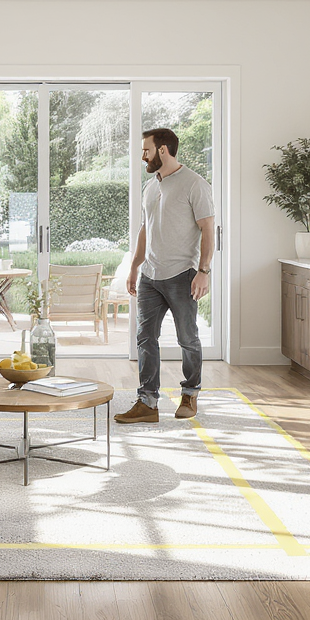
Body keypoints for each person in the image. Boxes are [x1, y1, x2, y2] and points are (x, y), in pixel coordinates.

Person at [114, 127, 215, 424]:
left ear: (162, 150)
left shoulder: (194, 184)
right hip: (150, 275)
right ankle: (147, 402)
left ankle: (190, 393)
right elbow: (145, 229)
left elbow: (208, 229)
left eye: (146, 149)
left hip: (182, 274)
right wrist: (134, 266)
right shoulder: (151, 186)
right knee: (145, 338)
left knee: (187, 338)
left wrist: (203, 271)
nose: (142, 155)